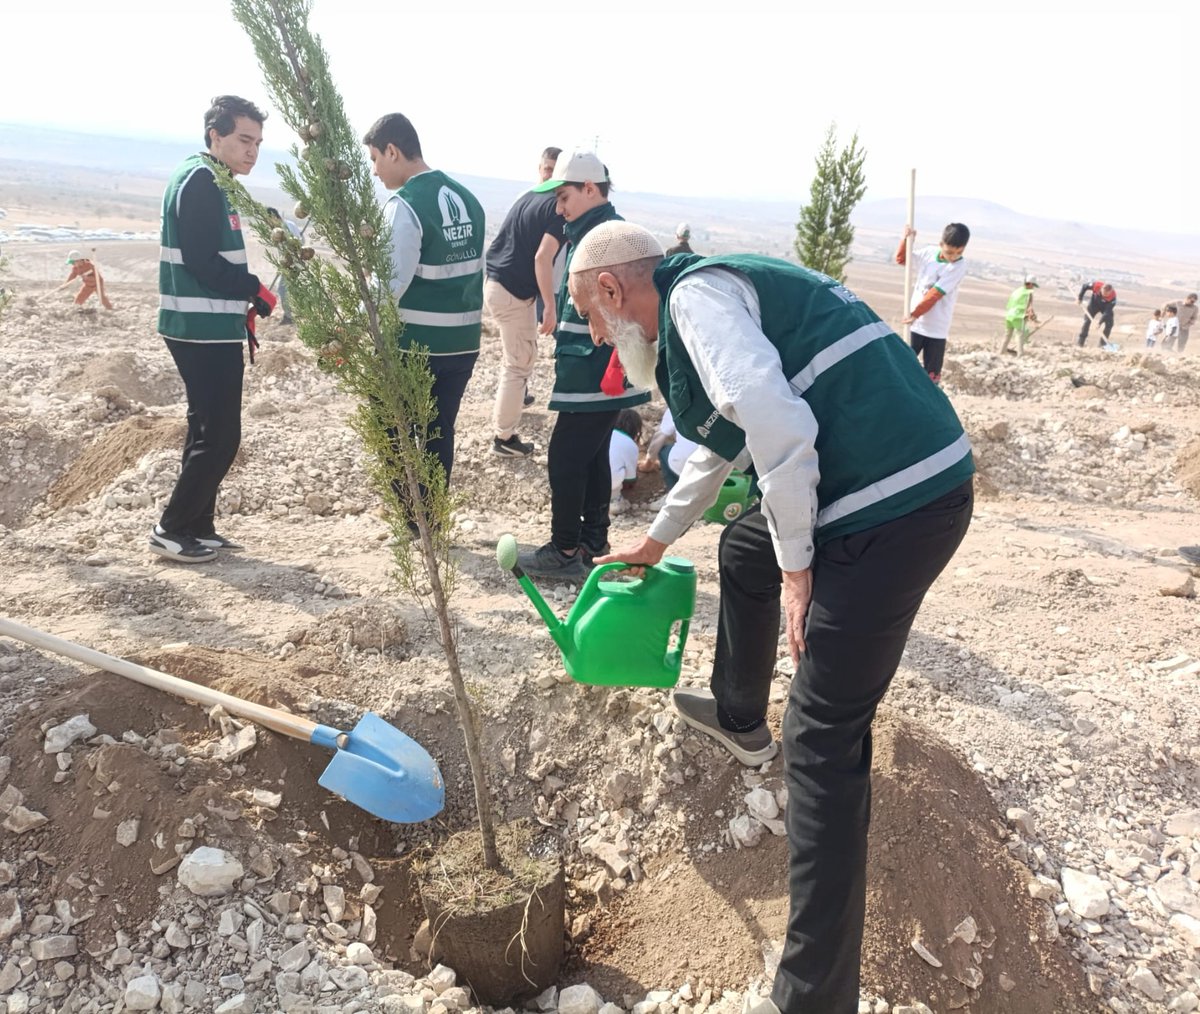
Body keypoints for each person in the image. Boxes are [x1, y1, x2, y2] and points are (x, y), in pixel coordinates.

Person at [566, 221, 974, 1014]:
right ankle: (738, 714)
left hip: (896, 508)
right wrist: (655, 541)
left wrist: (800, 568)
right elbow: (731, 439)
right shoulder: (703, 294)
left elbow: (779, 424)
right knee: (746, 546)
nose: (594, 332)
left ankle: (813, 999)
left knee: (822, 738)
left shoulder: (695, 301)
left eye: (588, 313)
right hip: (876, 488)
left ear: (613, 290)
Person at [151, 95, 276, 564]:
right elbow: (201, 260)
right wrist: (253, 289)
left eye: (259, 143)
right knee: (221, 435)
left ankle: (198, 525)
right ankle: (171, 527)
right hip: (198, 327)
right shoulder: (200, 180)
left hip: (206, 325)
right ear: (215, 136)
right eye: (244, 139)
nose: (253, 151)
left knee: (204, 427)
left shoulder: (211, 178)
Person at [515, 151, 651, 580]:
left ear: (590, 189)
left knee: (566, 455)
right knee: (592, 454)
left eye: (564, 196)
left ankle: (565, 548)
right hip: (600, 368)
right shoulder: (599, 230)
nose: (559, 207)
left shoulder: (602, 236)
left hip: (596, 368)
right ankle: (593, 543)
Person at [363, 112, 484, 493]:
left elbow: (388, 283)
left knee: (392, 427)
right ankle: (432, 518)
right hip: (463, 344)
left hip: (415, 346)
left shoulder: (406, 206)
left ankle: (412, 518)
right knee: (438, 431)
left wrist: (352, 324)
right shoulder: (469, 199)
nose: (375, 171)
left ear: (393, 151)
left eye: (375, 159)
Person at [484, 146, 565, 457]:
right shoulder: (556, 208)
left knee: (517, 361)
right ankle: (503, 438)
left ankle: (513, 409)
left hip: (496, 283)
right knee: (517, 367)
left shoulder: (528, 196)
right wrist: (551, 305)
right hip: (513, 293)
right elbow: (543, 257)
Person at [895, 222, 970, 383]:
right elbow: (902, 259)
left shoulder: (959, 266)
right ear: (941, 244)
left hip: (936, 329)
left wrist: (916, 313)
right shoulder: (929, 253)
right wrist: (907, 240)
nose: (953, 257)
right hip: (914, 325)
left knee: (932, 376)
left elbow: (935, 294)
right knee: (900, 365)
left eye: (959, 252)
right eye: (949, 252)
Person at [266, 207, 302, 324]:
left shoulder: (283, 228)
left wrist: (288, 258)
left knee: (282, 289)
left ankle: (289, 317)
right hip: (296, 263)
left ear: (273, 217)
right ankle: (298, 312)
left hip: (293, 264)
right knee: (291, 289)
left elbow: (295, 245)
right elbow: (303, 240)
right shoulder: (289, 224)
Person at [608, 407, 643, 513]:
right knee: (619, 473)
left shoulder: (602, 433)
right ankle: (613, 500)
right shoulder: (630, 444)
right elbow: (630, 479)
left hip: (581, 481)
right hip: (607, 483)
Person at [998, 275, 1038, 356]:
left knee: (1007, 334)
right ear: (1030, 284)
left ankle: (1001, 352)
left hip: (1009, 315)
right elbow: (1030, 307)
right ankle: (1020, 354)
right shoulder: (1028, 293)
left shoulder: (1017, 291)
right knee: (1019, 335)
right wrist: (1033, 317)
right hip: (1018, 316)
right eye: (1033, 285)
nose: (1033, 287)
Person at [1076, 280, 1117, 347]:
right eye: (1103, 293)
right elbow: (1084, 286)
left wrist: (1099, 323)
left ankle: (1102, 345)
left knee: (1109, 324)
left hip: (1105, 307)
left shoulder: (1113, 298)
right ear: (1101, 289)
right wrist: (1080, 298)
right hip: (1094, 304)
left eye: (1106, 295)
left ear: (1110, 292)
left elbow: (1107, 312)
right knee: (1087, 321)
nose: (1104, 295)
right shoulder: (1096, 285)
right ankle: (1080, 342)